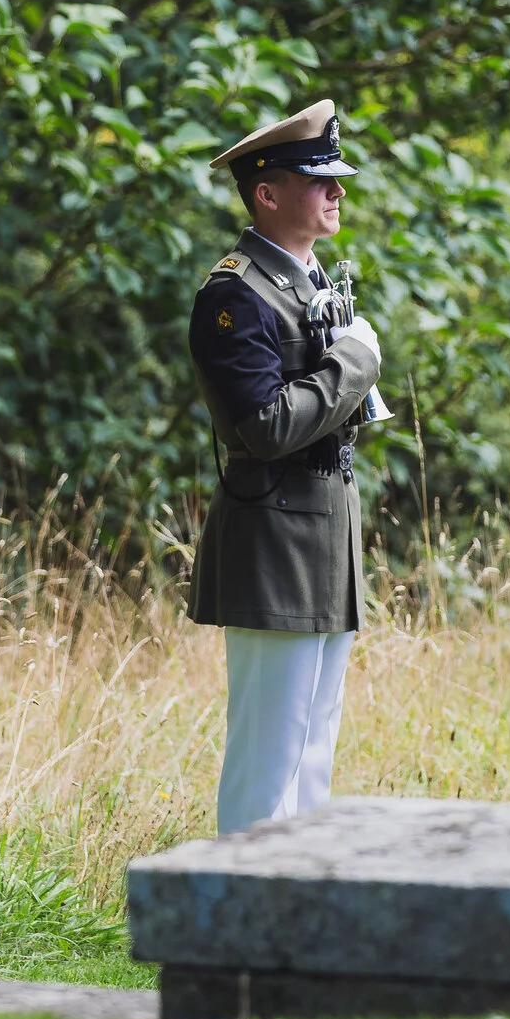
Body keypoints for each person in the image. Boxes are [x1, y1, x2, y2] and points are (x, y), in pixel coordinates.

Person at [187, 100, 383, 835]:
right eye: (318, 179)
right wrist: (354, 365)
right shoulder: (234, 294)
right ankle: (238, 922)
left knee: (312, 755)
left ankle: (296, 918)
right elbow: (264, 426)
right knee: (268, 758)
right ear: (266, 194)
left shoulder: (306, 280)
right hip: (274, 535)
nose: (337, 190)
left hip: (323, 532)